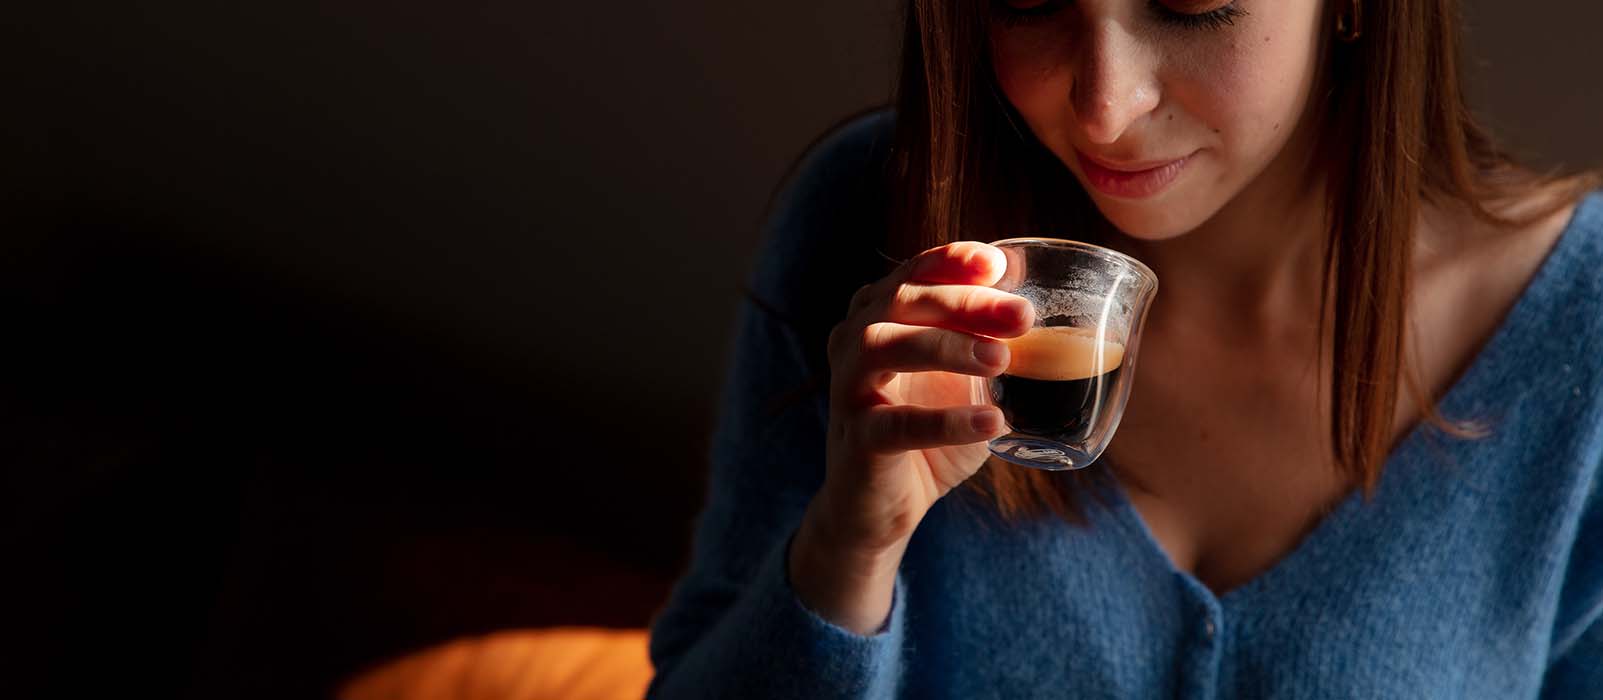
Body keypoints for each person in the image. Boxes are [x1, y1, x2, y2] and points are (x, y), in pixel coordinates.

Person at [648, 0, 1602, 696]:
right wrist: (847, 551)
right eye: (1027, 1)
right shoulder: (870, 223)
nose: (1103, 105)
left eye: (1190, 3)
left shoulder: (1580, 334)